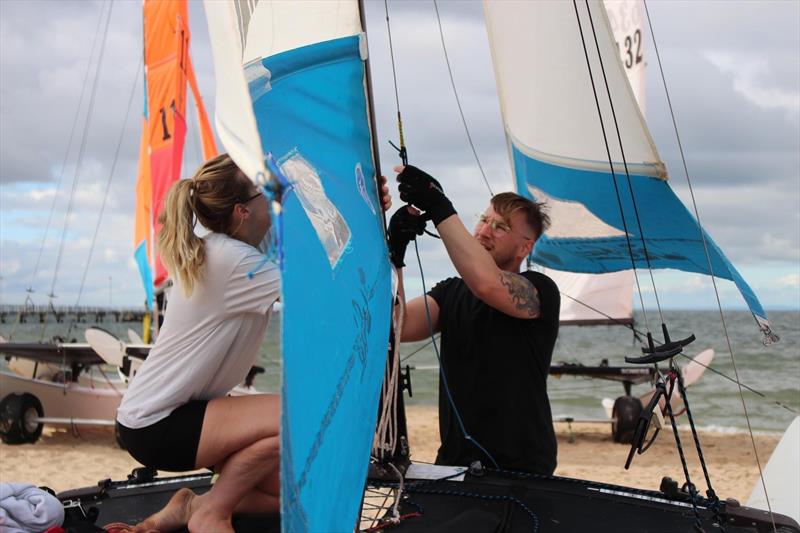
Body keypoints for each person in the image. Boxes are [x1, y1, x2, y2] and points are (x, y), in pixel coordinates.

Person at [116, 153, 391, 532]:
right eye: (265, 192)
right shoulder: (232, 260)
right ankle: (213, 511)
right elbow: (327, 288)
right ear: (242, 211)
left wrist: (362, 208)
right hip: (157, 423)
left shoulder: (234, 248)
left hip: (183, 411)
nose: (273, 200)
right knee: (305, 414)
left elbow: (309, 235)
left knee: (295, 490)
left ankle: (192, 505)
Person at [388, 165, 559, 475]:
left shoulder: (540, 291)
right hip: (454, 462)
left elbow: (488, 284)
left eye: (501, 227)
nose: (484, 231)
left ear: (525, 247)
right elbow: (397, 324)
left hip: (522, 469)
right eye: (484, 220)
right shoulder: (450, 291)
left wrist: (439, 206)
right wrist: (394, 257)